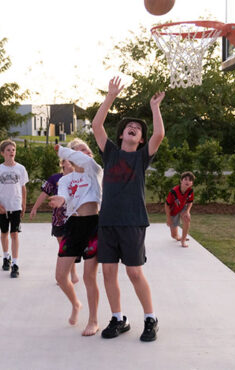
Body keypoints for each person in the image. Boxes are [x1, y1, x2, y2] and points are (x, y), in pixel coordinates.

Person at [91, 76, 165, 342]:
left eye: (137, 128)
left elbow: (159, 134)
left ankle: (150, 318)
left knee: (134, 272)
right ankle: (118, 318)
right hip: (108, 221)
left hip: (133, 221)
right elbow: (97, 125)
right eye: (128, 127)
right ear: (121, 135)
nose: (133, 128)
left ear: (140, 139)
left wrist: (154, 108)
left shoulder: (141, 157)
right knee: (109, 272)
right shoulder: (110, 152)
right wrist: (110, 96)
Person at [48, 138, 102, 336]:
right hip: (72, 225)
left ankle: (93, 320)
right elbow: (63, 196)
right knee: (61, 276)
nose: (84, 154)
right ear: (69, 160)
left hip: (93, 225)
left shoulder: (94, 171)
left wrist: (61, 149)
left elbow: (84, 160)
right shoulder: (65, 180)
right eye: (78, 151)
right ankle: (75, 304)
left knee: (89, 276)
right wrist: (60, 200)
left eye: (86, 150)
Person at [29, 159, 79, 284]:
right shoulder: (55, 178)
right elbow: (44, 194)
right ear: (62, 164)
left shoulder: (78, 178)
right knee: (63, 246)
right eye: (68, 161)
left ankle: (72, 273)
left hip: (74, 217)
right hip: (59, 218)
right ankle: (66, 274)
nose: (71, 163)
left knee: (71, 245)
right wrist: (35, 208)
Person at [0, 139, 29, 278]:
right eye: (8, 150)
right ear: (2, 153)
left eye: (13, 150)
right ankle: (6, 257)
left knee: (15, 234)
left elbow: (23, 188)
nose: (11, 152)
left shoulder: (21, 168)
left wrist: (24, 204)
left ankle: (15, 263)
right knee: (4, 233)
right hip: (3, 207)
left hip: (16, 205)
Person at [165, 171, 195, 248]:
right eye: (185, 179)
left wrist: (187, 211)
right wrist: (168, 218)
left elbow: (190, 202)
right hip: (173, 210)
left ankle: (183, 240)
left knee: (187, 218)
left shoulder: (190, 191)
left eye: (190, 180)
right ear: (181, 181)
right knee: (174, 236)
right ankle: (178, 237)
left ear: (192, 183)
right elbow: (167, 205)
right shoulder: (174, 191)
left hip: (182, 208)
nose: (188, 181)